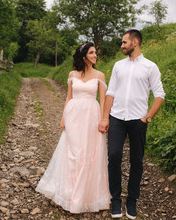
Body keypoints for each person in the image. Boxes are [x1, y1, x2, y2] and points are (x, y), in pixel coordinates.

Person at [36, 42, 111, 213]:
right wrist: (63, 117)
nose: (95, 56)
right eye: (91, 53)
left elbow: (102, 100)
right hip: (74, 116)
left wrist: (103, 120)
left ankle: (85, 197)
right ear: (84, 56)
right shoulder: (72, 74)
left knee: (87, 154)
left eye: (95, 53)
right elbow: (69, 97)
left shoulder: (100, 75)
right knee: (72, 153)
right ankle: (68, 193)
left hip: (91, 117)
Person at [98, 29, 165, 219]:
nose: (122, 45)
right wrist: (105, 117)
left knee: (136, 160)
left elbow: (159, 94)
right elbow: (110, 92)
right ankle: (116, 200)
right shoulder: (118, 66)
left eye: (124, 42)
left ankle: (132, 200)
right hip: (117, 118)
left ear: (135, 42)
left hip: (138, 120)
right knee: (114, 155)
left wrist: (148, 117)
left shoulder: (150, 67)